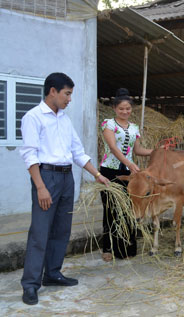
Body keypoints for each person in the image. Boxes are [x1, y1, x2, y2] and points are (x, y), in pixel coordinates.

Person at [20, 72, 109, 305]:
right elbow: (29, 155)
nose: (69, 99)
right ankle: (30, 284)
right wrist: (40, 187)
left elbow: (78, 153)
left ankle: (52, 274)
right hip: (45, 177)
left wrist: (97, 175)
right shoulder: (34, 117)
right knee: (40, 232)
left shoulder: (65, 120)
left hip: (66, 177)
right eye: (67, 94)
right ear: (53, 91)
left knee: (62, 229)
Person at [100, 88, 153, 262]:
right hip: (110, 171)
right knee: (111, 209)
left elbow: (137, 150)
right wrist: (129, 163)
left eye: (128, 109)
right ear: (115, 108)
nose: (125, 112)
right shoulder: (108, 124)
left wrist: (156, 151)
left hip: (129, 174)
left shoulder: (134, 127)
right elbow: (114, 148)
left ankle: (126, 248)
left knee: (128, 209)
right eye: (121, 108)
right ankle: (108, 247)